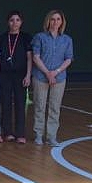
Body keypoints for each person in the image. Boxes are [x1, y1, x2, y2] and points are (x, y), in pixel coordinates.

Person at [31, 10, 74, 146]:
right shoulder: (39, 37)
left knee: (55, 107)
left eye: (58, 19)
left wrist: (56, 72)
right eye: (53, 19)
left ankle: (51, 137)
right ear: (48, 21)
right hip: (40, 77)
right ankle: (38, 135)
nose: (55, 22)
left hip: (59, 78)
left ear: (62, 22)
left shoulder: (67, 40)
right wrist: (47, 73)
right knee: (39, 106)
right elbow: (36, 57)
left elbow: (68, 59)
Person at [0, 10, 32, 143]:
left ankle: (20, 133)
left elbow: (29, 58)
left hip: (21, 74)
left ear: (21, 22)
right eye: (12, 20)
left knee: (20, 103)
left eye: (17, 20)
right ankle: (7, 132)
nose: (14, 23)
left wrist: (28, 75)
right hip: (4, 74)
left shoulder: (26, 37)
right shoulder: (1, 38)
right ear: (8, 22)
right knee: (5, 102)